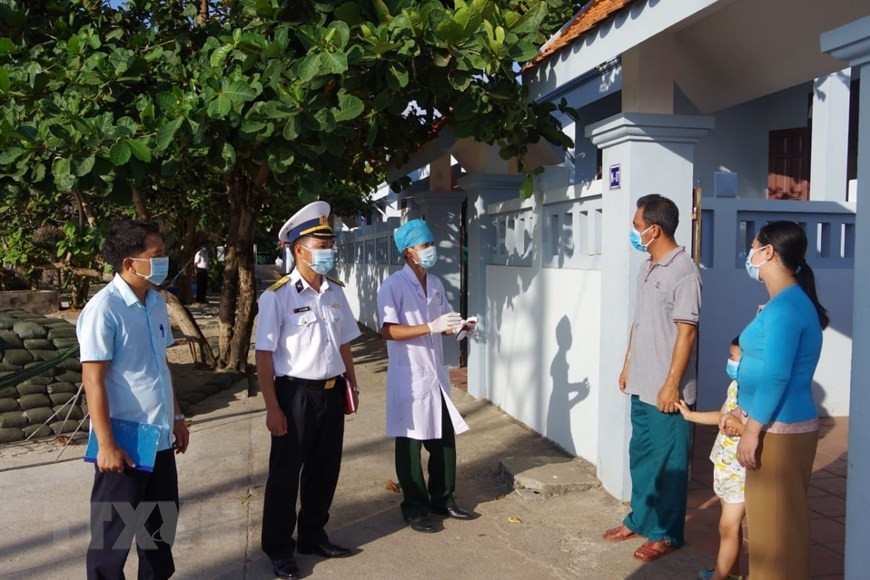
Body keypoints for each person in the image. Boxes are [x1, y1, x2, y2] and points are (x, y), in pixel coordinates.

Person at [77, 220, 190, 580]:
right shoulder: (104, 309)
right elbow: (93, 380)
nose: (164, 261)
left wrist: (177, 417)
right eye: (157, 255)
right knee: (113, 541)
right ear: (129, 263)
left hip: (158, 437)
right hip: (124, 440)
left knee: (158, 534)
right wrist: (106, 443)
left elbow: (161, 366)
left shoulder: (156, 302)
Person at [255, 201, 361, 580]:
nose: (328, 251)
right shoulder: (277, 297)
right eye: (321, 244)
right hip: (294, 394)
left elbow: (345, 342)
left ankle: (313, 535)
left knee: (324, 470)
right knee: (285, 475)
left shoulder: (335, 291)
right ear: (299, 249)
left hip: (331, 393)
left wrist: (352, 381)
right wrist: (272, 407)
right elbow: (264, 357)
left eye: (330, 243)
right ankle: (279, 549)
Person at [603, 194, 702, 562]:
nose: (634, 231)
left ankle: (666, 533)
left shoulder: (684, 272)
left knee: (669, 463)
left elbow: (687, 332)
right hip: (642, 383)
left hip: (666, 389)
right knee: (642, 456)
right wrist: (628, 363)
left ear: (653, 229)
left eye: (636, 225)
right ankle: (640, 519)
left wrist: (672, 384)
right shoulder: (648, 267)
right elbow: (640, 321)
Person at [730, 221, 827, 580]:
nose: (750, 255)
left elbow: (776, 374)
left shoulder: (787, 307)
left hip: (780, 430)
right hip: (780, 424)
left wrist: (752, 432)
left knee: (774, 535)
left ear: (767, 252)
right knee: (784, 528)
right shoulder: (787, 303)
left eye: (753, 247)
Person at [376, 219, 477, 534]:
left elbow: (445, 322)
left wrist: (461, 327)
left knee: (443, 440)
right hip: (409, 377)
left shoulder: (435, 284)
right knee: (410, 446)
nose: (431, 250)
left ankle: (442, 499)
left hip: (435, 374)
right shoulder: (393, 286)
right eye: (425, 245)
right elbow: (388, 330)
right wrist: (429, 327)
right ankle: (415, 508)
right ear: (409, 252)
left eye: (432, 243)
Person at [677, 337, 746, 580]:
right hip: (725, 466)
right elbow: (722, 416)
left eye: (734, 358)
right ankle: (730, 573)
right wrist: (690, 416)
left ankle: (719, 577)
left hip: (740, 471)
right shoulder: (735, 387)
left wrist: (741, 426)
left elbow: (754, 428)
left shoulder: (755, 394)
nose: (729, 362)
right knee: (730, 528)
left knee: (727, 527)